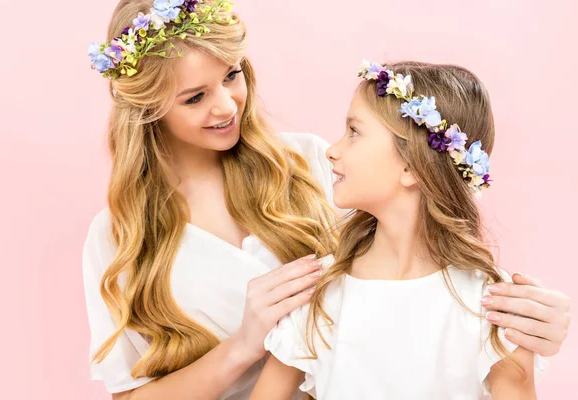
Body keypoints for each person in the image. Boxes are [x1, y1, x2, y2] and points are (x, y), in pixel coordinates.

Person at [84, 1, 572, 398]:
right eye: (194, 97)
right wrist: (244, 346)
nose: (228, 105)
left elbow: (420, 256)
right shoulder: (118, 237)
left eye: (233, 75)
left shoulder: (315, 164)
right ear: (146, 108)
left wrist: (533, 324)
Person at [251, 60, 562, 400]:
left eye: (354, 132)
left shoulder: (491, 306)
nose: (332, 150)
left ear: (412, 166)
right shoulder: (319, 294)